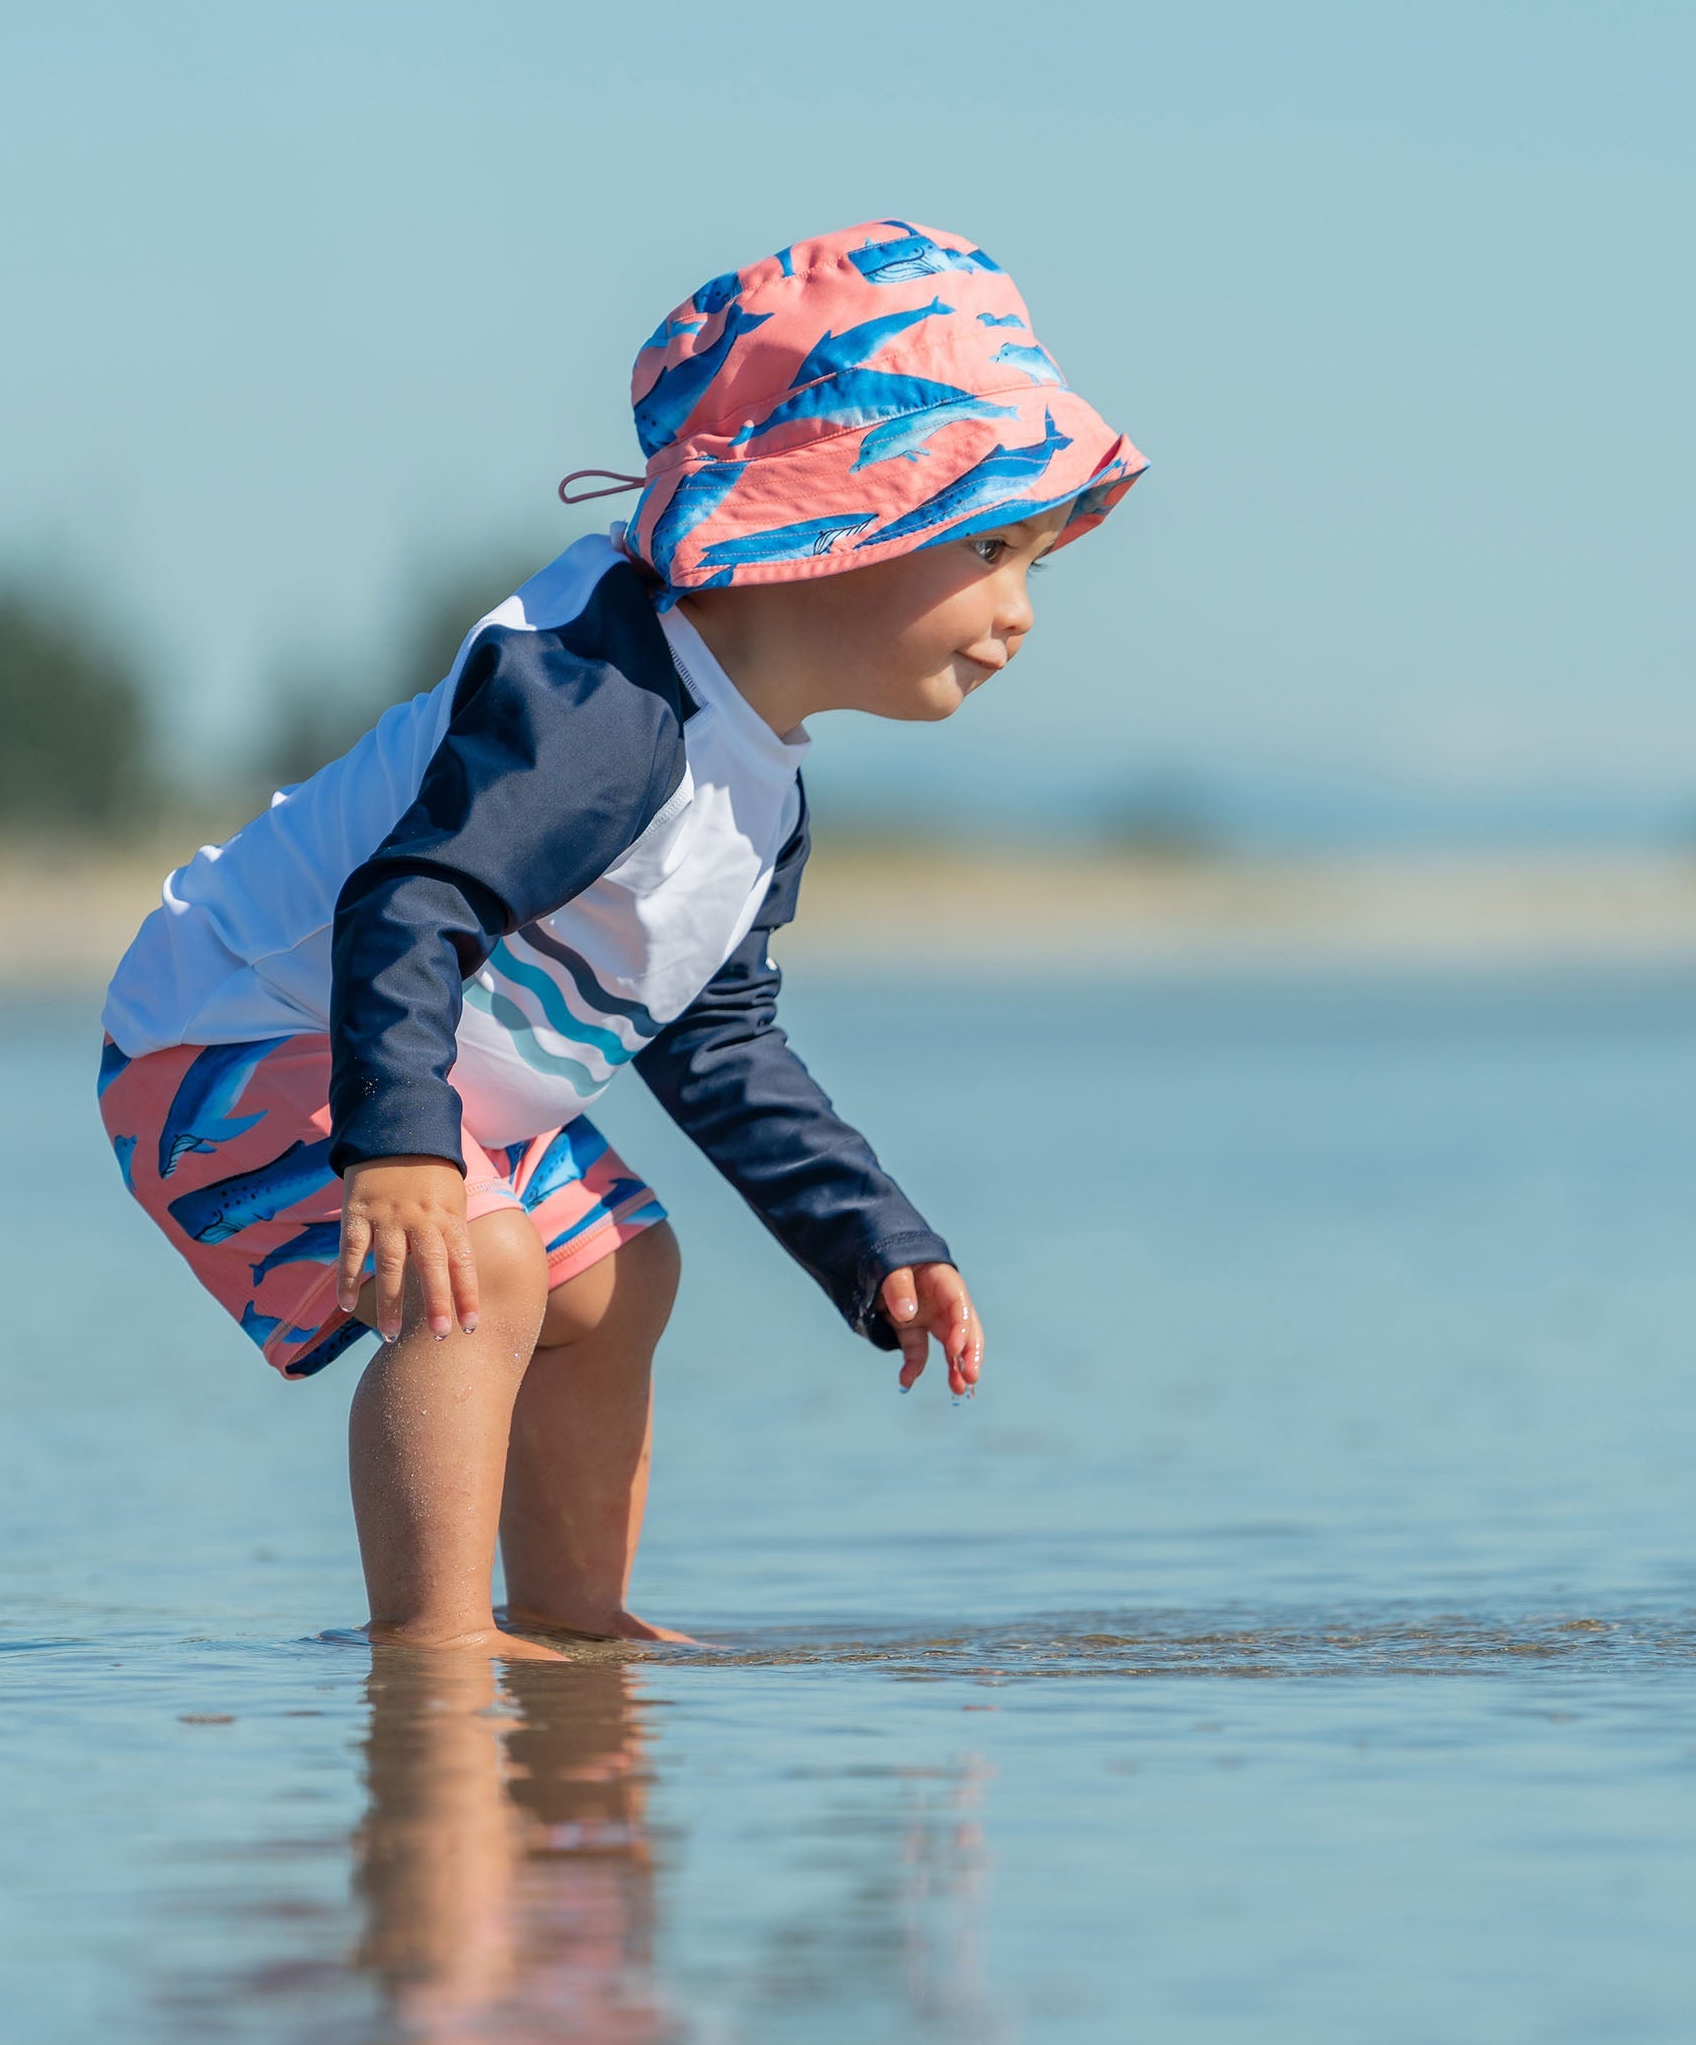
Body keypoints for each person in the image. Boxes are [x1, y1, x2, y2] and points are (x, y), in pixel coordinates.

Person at [97, 219, 1146, 1657]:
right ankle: (433, 1644)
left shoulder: (755, 779)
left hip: (414, 1068)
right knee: (493, 1270)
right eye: (989, 549)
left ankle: (574, 1627)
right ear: (842, 524)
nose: (1020, 613)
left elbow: (717, 1041)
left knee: (627, 1271)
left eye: (1035, 560)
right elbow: (411, 901)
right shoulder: (605, 703)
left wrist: (870, 1238)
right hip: (234, 1032)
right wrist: (398, 1149)